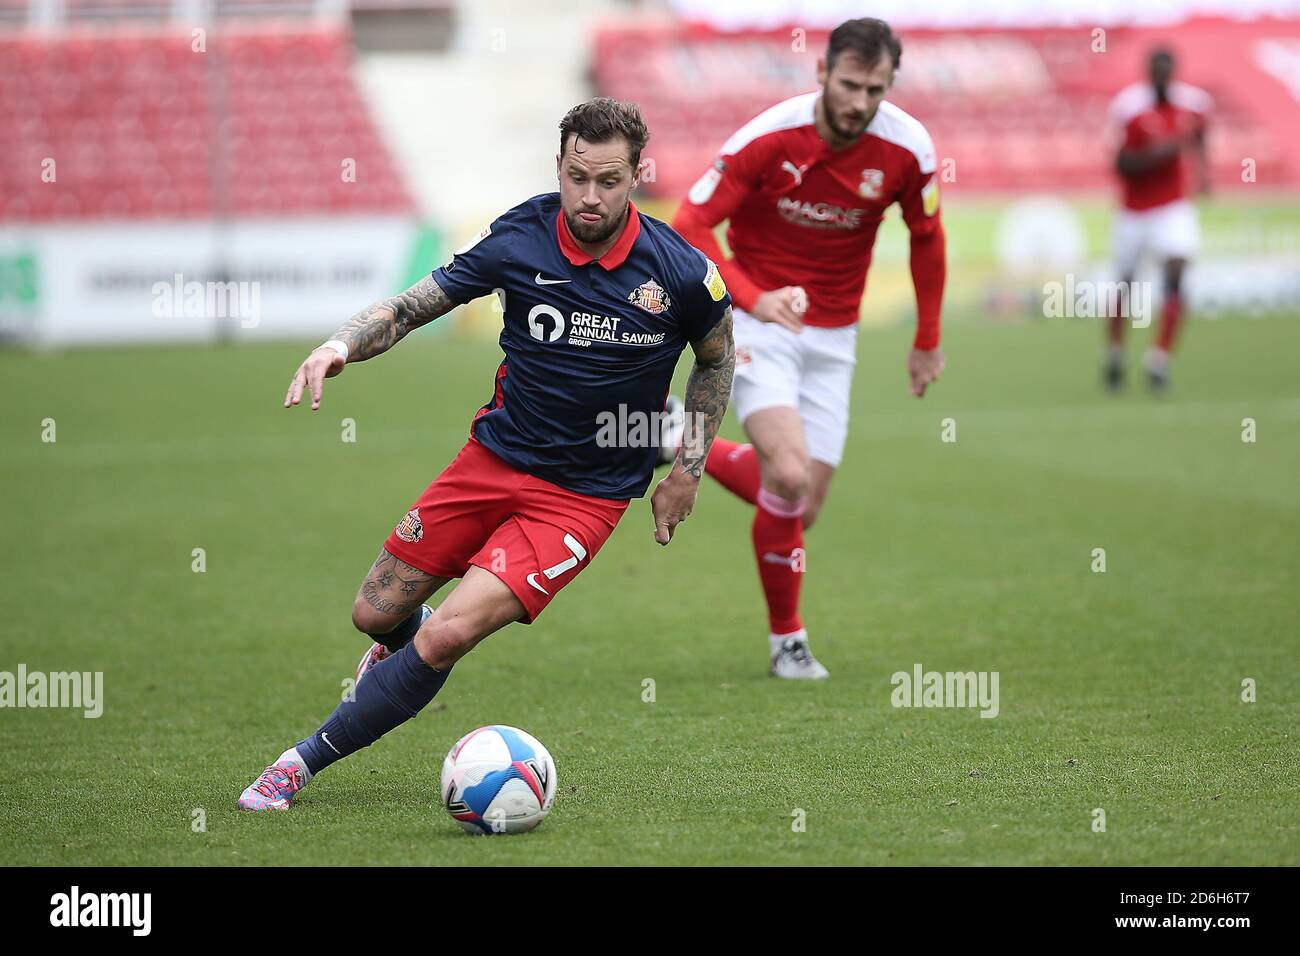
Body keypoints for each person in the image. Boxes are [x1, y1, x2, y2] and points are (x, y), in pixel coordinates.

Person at [238, 98, 734, 811]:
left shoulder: (681, 272)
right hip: (491, 461)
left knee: (445, 636)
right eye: (576, 176)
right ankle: (392, 661)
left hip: (581, 501)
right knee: (375, 615)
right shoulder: (519, 238)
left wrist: (687, 469)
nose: (590, 197)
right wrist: (339, 343)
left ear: (636, 178)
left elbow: (716, 362)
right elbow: (412, 307)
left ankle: (298, 764)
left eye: (610, 181)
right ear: (559, 168)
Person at [671, 17, 945, 679]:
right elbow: (690, 224)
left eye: (875, 89)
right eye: (850, 84)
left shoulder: (908, 149)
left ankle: (670, 437)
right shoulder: (769, 138)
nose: (859, 102)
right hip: (758, 323)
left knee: (801, 506)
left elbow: (926, 237)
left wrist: (927, 339)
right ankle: (787, 642)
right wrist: (751, 296)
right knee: (788, 475)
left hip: (836, 337)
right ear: (821, 72)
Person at [1106, 47, 1212, 391]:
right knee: (1125, 284)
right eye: (1157, 70)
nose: (1163, 77)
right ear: (1148, 72)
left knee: (1178, 269)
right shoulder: (1129, 108)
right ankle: (1115, 352)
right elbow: (1120, 165)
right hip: (1135, 210)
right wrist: (1158, 155)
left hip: (1173, 206)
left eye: (1167, 70)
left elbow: (1200, 136)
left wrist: (1204, 174)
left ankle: (1159, 359)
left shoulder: (1194, 105)